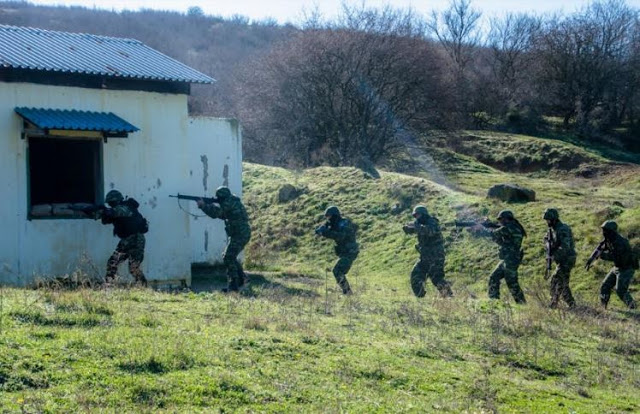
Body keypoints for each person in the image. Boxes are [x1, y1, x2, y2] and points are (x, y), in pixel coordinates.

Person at [197, 186, 251, 292]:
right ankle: (242, 278)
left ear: (222, 197)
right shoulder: (232, 201)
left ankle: (234, 285)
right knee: (229, 256)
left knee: (228, 257)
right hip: (240, 233)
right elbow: (223, 215)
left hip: (240, 234)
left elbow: (216, 214)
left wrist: (203, 206)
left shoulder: (229, 202)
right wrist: (209, 205)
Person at [470, 210, 527, 304]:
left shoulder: (509, 227)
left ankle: (522, 304)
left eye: (501, 219)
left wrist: (481, 228)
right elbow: (504, 243)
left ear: (506, 219)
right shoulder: (513, 227)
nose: (500, 222)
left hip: (511, 260)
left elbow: (492, 233)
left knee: (512, 283)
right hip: (508, 259)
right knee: (494, 277)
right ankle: (494, 302)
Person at [100, 190, 148, 286]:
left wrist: (105, 211)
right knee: (115, 263)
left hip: (135, 239)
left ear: (117, 201)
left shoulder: (126, 207)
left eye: (111, 203)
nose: (110, 205)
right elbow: (106, 220)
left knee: (131, 267)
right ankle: (108, 286)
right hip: (129, 240)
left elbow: (116, 212)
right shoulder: (118, 210)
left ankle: (143, 287)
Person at [402, 205, 452, 298]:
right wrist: (408, 229)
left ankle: (449, 296)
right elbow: (416, 229)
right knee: (416, 275)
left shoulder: (432, 222)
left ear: (424, 214)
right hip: (425, 256)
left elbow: (429, 231)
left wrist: (416, 227)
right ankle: (420, 296)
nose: (417, 217)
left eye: (418, 215)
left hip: (436, 256)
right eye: (415, 216)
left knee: (436, 278)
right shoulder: (419, 224)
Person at [587, 220, 637, 309]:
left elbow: (615, 257)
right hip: (617, 267)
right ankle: (603, 307)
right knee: (605, 286)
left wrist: (601, 255)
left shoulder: (620, 242)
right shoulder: (608, 239)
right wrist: (591, 259)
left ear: (612, 231)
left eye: (606, 230)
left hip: (626, 268)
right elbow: (599, 248)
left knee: (620, 290)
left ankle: (633, 308)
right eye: (603, 230)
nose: (603, 232)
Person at [315, 206, 358, 294]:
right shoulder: (334, 224)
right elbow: (326, 228)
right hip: (344, 252)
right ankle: (347, 291)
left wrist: (326, 232)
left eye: (329, 216)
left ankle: (347, 292)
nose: (328, 219)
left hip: (350, 251)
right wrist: (321, 230)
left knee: (337, 270)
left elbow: (340, 236)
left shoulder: (344, 223)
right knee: (338, 271)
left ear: (334, 216)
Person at [543, 208, 576, 308]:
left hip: (567, 259)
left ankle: (553, 304)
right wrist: (548, 246)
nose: (547, 222)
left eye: (548, 220)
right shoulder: (552, 230)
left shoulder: (562, 229)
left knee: (555, 280)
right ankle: (572, 305)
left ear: (554, 219)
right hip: (561, 260)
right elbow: (546, 240)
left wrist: (554, 256)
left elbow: (565, 247)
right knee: (563, 283)